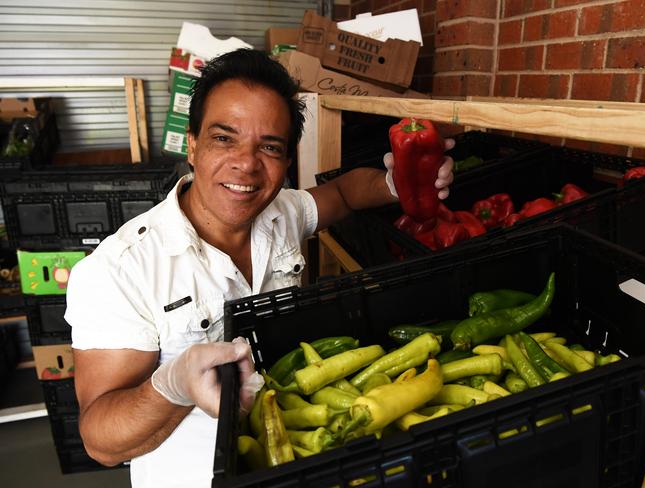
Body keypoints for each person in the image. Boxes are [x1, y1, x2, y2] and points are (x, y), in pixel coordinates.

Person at [64, 48, 454, 488]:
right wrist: (172, 385)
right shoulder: (120, 270)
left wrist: (396, 182)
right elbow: (101, 440)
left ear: (287, 162)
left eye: (269, 147)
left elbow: (343, 194)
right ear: (192, 144)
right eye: (224, 138)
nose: (246, 165)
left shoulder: (279, 212)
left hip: (295, 456)